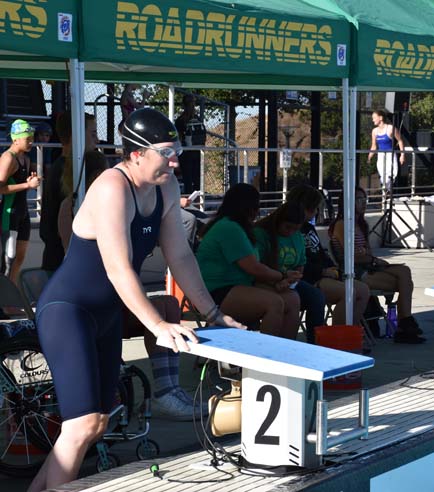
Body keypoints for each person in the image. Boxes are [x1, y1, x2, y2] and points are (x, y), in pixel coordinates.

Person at [30, 108, 243, 491]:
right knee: (80, 427)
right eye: (167, 151)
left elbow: (180, 257)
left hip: (107, 314)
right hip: (69, 311)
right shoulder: (112, 187)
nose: (176, 159)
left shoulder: (165, 187)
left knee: (95, 424)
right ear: (137, 154)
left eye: (176, 149)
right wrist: (158, 325)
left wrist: (213, 314)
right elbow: (117, 268)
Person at [56, 150, 198, 419]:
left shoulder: (128, 196)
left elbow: (177, 252)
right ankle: (166, 390)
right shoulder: (94, 199)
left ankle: (168, 388)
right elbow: (101, 262)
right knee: (86, 423)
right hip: (87, 300)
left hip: (112, 301)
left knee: (168, 303)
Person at [196, 183, 301, 339]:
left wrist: (279, 280)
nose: (258, 211)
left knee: (292, 299)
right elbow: (254, 268)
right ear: (248, 207)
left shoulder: (237, 227)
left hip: (238, 286)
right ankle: (268, 359)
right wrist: (282, 276)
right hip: (215, 292)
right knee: (274, 303)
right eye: (256, 206)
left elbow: (255, 270)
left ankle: (289, 353)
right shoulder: (229, 228)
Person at [329, 187, 425, 343]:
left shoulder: (361, 225)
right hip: (354, 271)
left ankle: (405, 323)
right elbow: (350, 257)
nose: (363, 203)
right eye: (358, 199)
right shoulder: (342, 224)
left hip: (367, 265)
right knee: (405, 283)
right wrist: (372, 260)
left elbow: (366, 252)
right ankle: (404, 324)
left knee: (404, 272)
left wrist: (372, 259)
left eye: (364, 199)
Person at [286, 184, 371, 334]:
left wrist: (332, 267)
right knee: (348, 293)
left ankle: (350, 333)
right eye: (314, 208)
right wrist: (323, 271)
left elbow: (320, 253)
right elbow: (298, 262)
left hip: (324, 274)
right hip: (309, 278)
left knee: (363, 290)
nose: (317, 212)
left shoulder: (309, 228)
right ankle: (338, 339)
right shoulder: (291, 229)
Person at [254, 201, 325, 342]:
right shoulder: (261, 234)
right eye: (288, 227)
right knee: (291, 299)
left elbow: (300, 264)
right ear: (278, 220)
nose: (290, 232)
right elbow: (257, 267)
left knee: (317, 297)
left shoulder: (297, 236)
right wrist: (276, 282)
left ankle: (314, 344)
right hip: (263, 281)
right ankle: (282, 345)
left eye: (295, 229)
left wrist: (292, 280)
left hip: (289, 282)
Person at [39, 112, 99, 272]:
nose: (97, 140)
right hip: (64, 263)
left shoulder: (67, 168)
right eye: (93, 134)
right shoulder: (66, 171)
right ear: (76, 134)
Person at [0, 119, 41, 283]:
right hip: (10, 213)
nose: (31, 142)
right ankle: (3, 301)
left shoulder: (25, 158)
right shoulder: (8, 158)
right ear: (15, 139)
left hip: (23, 213)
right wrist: (27, 185)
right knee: (8, 259)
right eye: (28, 139)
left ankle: (12, 296)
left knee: (19, 258)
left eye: (32, 138)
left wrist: (30, 182)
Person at [174, 93, 207, 194]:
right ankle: (198, 199)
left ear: (183, 105)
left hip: (186, 152)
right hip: (198, 151)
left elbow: (179, 138)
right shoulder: (198, 119)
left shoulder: (180, 120)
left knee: (187, 178)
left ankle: (189, 200)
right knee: (197, 178)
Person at [368, 109, 406, 191]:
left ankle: (387, 193)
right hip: (381, 155)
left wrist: (402, 155)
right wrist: (369, 156)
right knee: (383, 176)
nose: (372, 120)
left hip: (390, 155)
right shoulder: (374, 131)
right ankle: (385, 194)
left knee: (391, 175)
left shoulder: (390, 128)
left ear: (380, 118)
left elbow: (400, 140)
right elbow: (374, 146)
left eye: (374, 117)